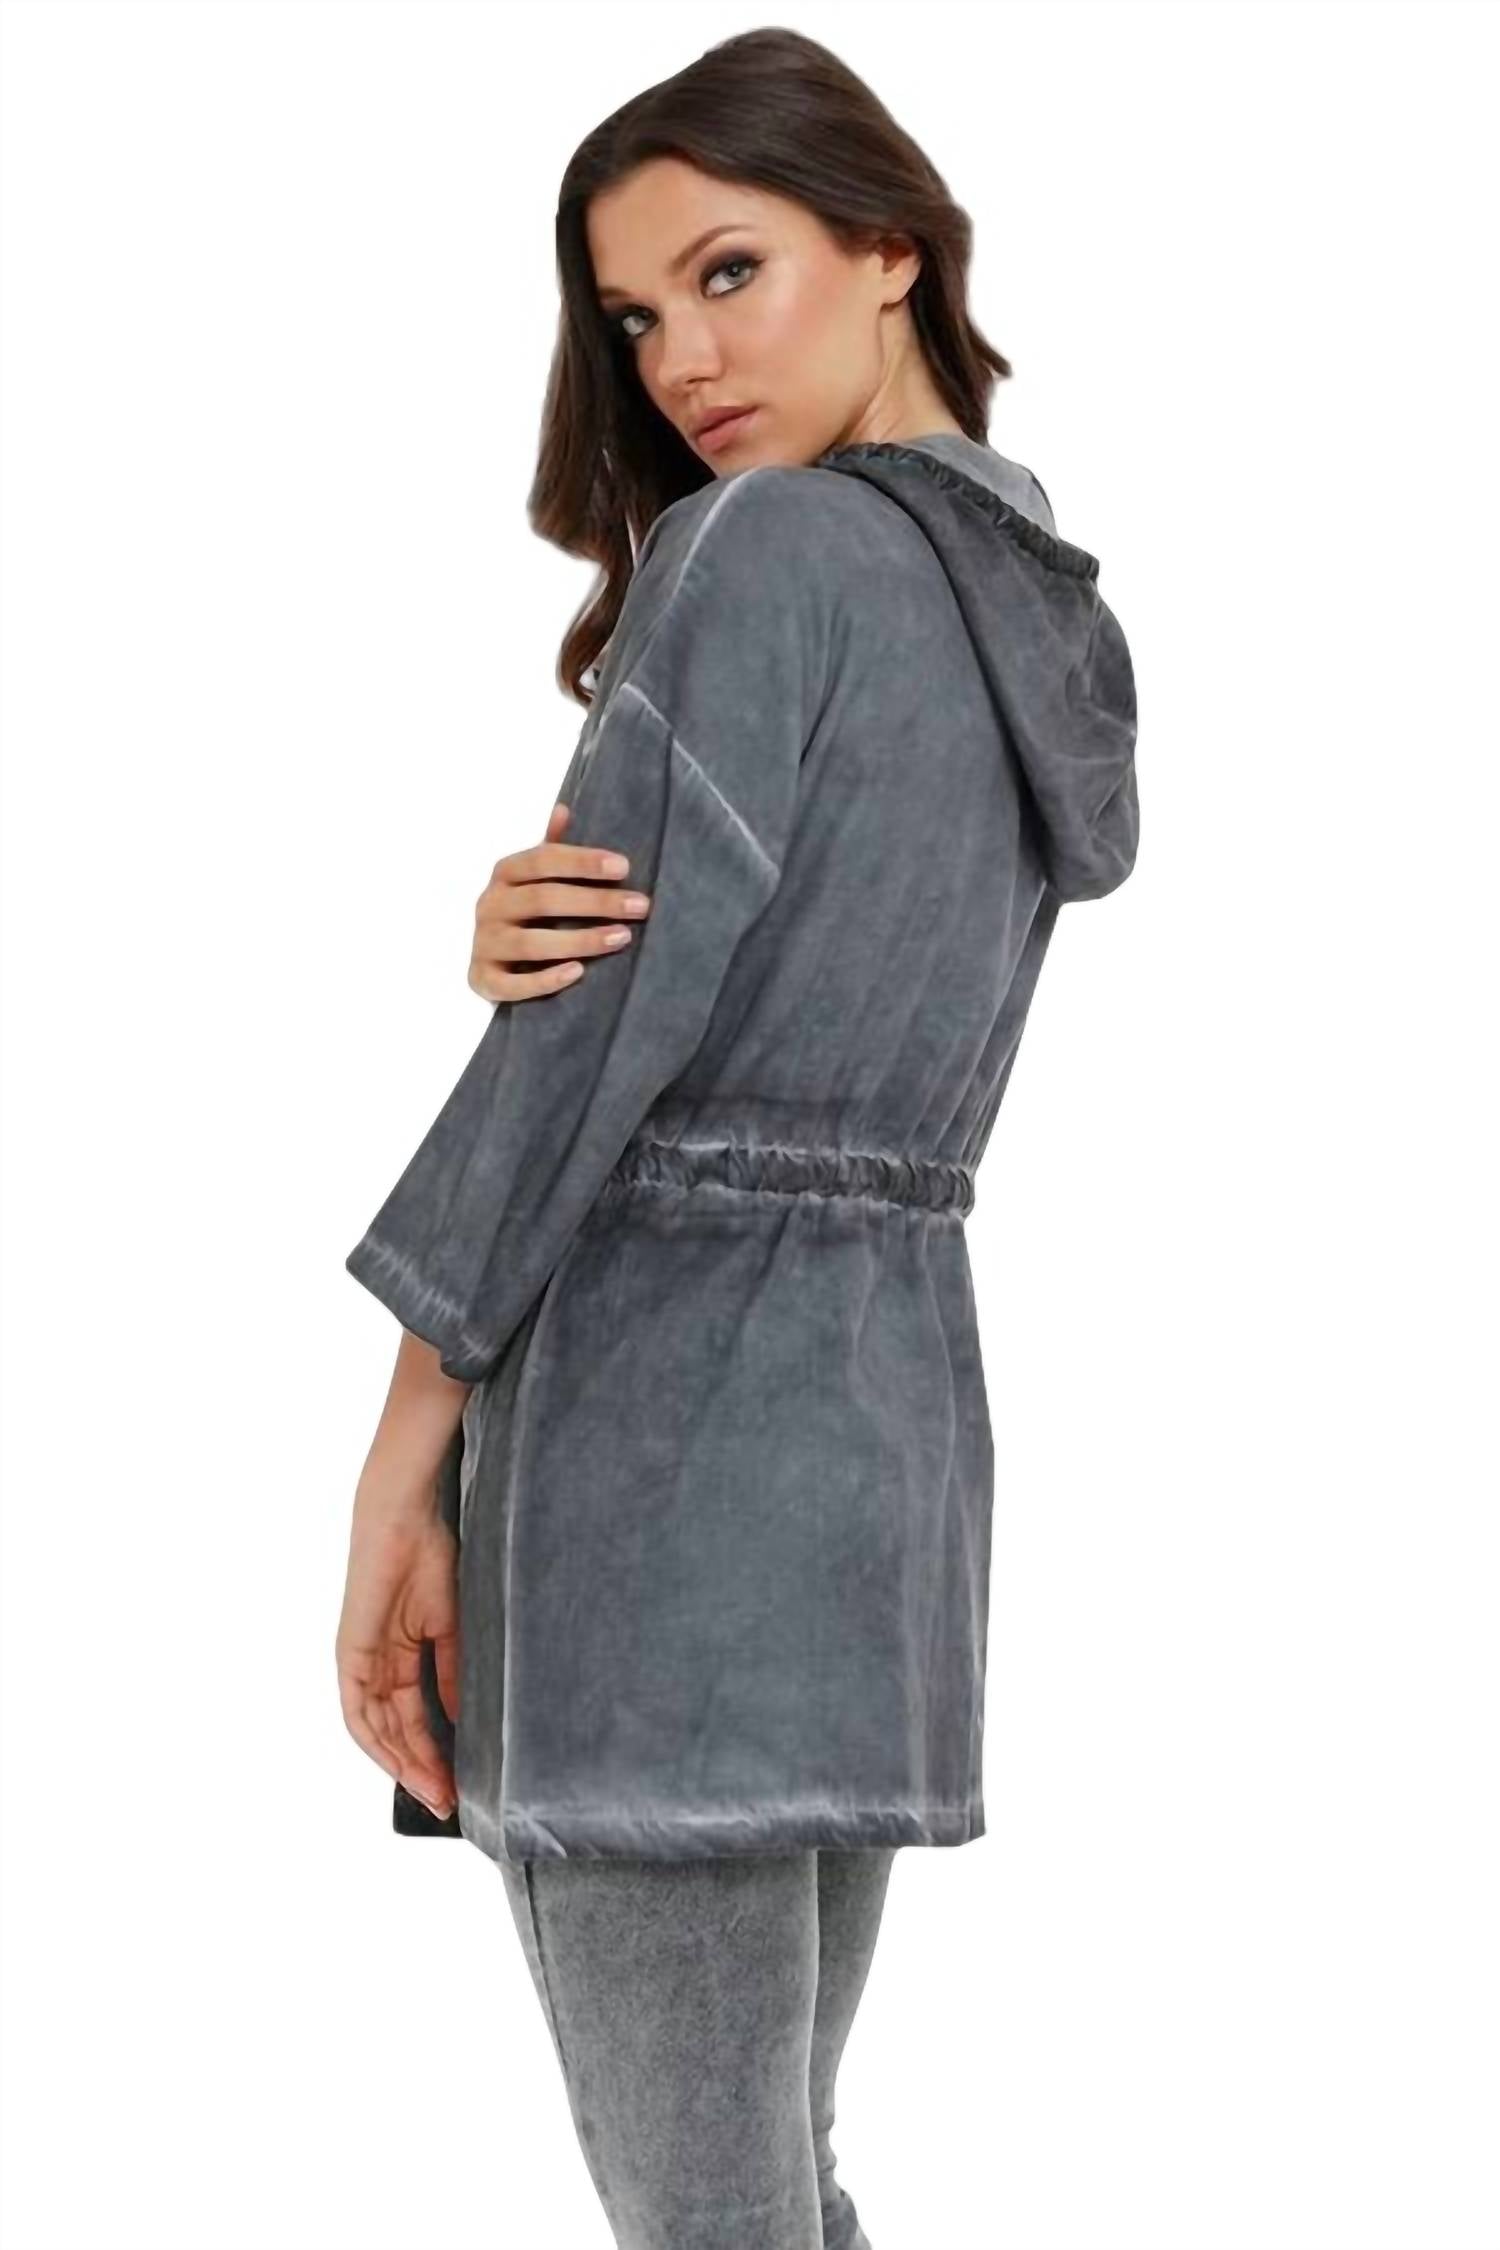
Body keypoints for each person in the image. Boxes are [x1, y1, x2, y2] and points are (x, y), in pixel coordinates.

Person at [335, 26, 1139, 2248]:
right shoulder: (1033, 620)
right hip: (877, 1467)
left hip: (656, 1467)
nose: (680, 361)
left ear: (891, 249)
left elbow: (593, 1059)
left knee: (711, 2213)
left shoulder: (768, 555)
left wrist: (405, 1462)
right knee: (772, 2183)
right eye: (631, 318)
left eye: (726, 271)